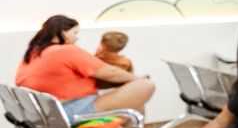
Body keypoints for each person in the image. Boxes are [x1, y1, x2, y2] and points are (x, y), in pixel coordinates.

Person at [14, 15, 155, 119]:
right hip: (70, 110)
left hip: (47, 112)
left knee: (134, 104)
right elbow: (110, 73)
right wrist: (137, 79)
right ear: (63, 32)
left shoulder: (34, 51)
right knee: (145, 86)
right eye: (75, 33)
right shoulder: (65, 50)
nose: (76, 38)